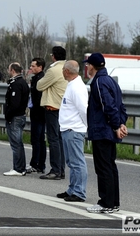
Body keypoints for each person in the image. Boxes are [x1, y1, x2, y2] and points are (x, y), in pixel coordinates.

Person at [84, 52, 128, 214]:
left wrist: (117, 126)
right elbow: (120, 105)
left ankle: (105, 203)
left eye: (88, 64)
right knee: (110, 167)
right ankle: (114, 202)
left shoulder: (98, 82)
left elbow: (108, 106)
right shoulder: (111, 80)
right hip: (110, 129)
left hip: (102, 130)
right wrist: (121, 123)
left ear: (92, 66)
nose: (87, 67)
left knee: (103, 168)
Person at [56, 60, 88, 202]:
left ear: (67, 71)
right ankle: (72, 189)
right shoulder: (72, 85)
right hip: (68, 128)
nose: (62, 71)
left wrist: (85, 126)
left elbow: (83, 110)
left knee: (77, 162)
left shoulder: (77, 88)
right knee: (71, 162)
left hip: (74, 129)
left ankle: (79, 192)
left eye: (63, 69)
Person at [36, 46, 68, 180]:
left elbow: (39, 85)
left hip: (53, 108)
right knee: (60, 140)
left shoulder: (54, 70)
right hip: (63, 108)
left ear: (53, 56)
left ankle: (55, 170)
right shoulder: (66, 68)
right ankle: (60, 169)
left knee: (53, 140)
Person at [3, 62, 30, 177]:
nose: (8, 71)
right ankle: (21, 167)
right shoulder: (23, 82)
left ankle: (18, 168)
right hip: (21, 115)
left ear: (13, 70)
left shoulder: (16, 84)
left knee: (16, 144)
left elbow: (14, 103)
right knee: (18, 143)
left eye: (9, 69)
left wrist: (8, 115)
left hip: (15, 117)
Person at [27, 58, 46, 174]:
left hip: (39, 113)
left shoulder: (41, 80)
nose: (31, 68)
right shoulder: (36, 78)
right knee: (39, 139)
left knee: (37, 139)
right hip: (38, 113)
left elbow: (38, 98)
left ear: (40, 67)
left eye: (33, 66)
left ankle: (37, 164)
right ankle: (39, 163)